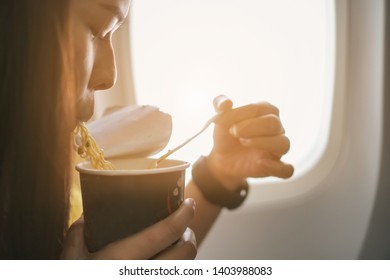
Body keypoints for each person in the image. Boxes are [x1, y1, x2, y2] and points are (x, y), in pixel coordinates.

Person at [0, 0, 293, 259]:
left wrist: (217, 175)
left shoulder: (56, 160)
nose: (110, 77)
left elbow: (137, 253)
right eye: (96, 29)